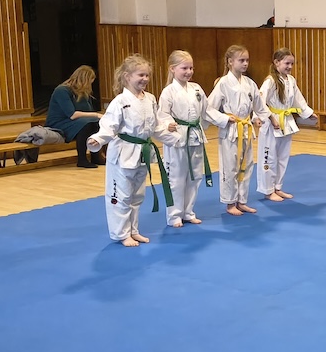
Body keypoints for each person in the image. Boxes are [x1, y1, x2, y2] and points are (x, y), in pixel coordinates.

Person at [86, 54, 178, 247]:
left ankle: (133, 230)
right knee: (122, 195)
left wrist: (172, 135)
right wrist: (98, 139)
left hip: (142, 152)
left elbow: (154, 126)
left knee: (137, 195)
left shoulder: (150, 99)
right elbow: (109, 125)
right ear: (127, 76)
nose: (145, 79)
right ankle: (121, 233)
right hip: (123, 153)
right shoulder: (120, 101)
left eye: (147, 75)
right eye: (140, 75)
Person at [158, 50, 228, 227]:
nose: (189, 72)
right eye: (184, 68)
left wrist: (225, 119)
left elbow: (207, 110)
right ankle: (174, 215)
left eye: (191, 68)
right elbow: (162, 114)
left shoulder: (196, 88)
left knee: (195, 176)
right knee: (177, 178)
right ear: (172, 69)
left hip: (195, 136)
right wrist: (168, 124)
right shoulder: (168, 92)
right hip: (177, 138)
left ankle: (188, 211)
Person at [209, 44, 270, 216]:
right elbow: (209, 107)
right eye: (241, 60)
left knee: (247, 165)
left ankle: (242, 201)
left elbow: (260, 106)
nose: (245, 63)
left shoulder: (250, 83)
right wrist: (224, 118)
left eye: (247, 60)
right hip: (230, 130)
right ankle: (230, 203)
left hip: (246, 129)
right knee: (230, 167)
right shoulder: (223, 83)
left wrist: (264, 118)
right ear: (230, 62)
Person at [257, 48, 317, 202]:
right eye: (287, 63)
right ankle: (268, 190)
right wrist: (262, 117)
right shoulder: (270, 81)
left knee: (282, 157)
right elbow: (259, 101)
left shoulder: (291, 80)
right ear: (277, 62)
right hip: (272, 122)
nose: (290, 67)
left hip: (286, 121)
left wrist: (308, 113)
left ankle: (277, 187)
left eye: (292, 64)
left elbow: (298, 99)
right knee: (269, 157)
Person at [45, 65, 103, 167]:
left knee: (96, 123)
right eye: (90, 81)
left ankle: (95, 156)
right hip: (60, 123)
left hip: (76, 121)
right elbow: (72, 115)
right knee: (86, 125)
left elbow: (87, 112)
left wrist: (97, 117)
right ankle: (82, 159)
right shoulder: (62, 90)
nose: (90, 85)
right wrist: (96, 114)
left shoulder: (83, 93)